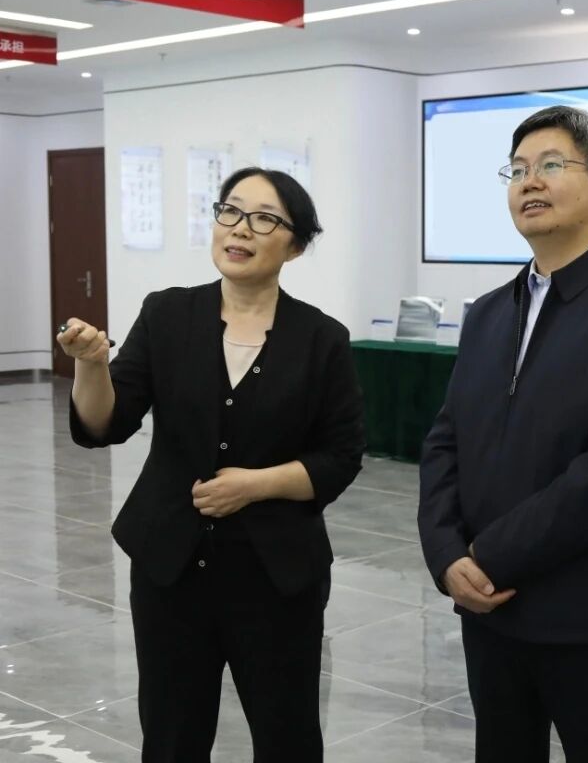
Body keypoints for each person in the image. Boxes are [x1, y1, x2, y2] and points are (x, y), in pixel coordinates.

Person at [58, 167, 365, 762]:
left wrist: (257, 485)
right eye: (231, 211)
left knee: (287, 737)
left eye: (265, 219)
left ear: (296, 246)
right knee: (172, 737)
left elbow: (341, 456)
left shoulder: (321, 338)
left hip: (277, 576)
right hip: (170, 567)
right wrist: (91, 365)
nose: (240, 229)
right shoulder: (168, 314)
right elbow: (104, 425)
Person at [418, 106, 588, 763]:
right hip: (489, 613)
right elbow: (445, 442)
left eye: (549, 165)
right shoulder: (489, 313)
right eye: (516, 171)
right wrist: (447, 555)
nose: (528, 182)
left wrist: (488, 557)